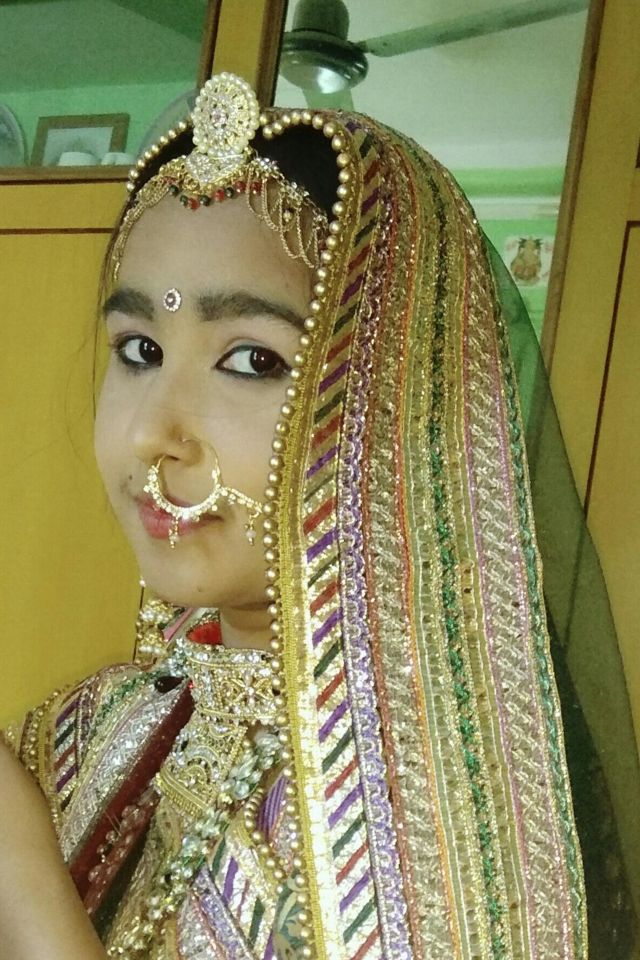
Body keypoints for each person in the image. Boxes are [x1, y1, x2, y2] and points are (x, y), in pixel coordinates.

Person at [1, 72, 637, 959]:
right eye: (139, 349)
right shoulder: (88, 731)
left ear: (400, 408)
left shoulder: (446, 834)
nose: (151, 433)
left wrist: (23, 881)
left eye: (252, 361)